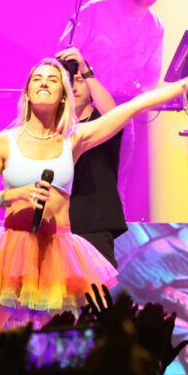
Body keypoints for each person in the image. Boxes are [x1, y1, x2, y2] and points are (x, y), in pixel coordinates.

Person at [0, 56, 188, 369]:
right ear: (26, 93)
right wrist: (14, 194)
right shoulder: (4, 141)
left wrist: (186, 84)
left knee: (56, 357)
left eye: (52, 79)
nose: (44, 83)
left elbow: (133, 107)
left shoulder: (74, 138)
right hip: (9, 253)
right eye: (37, 79)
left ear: (63, 95)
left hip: (56, 255)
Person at [60, 0, 168, 221]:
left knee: (115, 186)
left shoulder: (155, 27)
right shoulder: (97, 8)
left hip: (119, 112)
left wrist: (139, 89)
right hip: (79, 109)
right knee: (67, 181)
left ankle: (113, 239)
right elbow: (63, 52)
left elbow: (152, 78)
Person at [56, 46, 126, 268]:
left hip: (95, 223)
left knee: (96, 289)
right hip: (57, 225)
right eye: (68, 82)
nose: (74, 87)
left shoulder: (101, 123)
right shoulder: (53, 128)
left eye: (79, 80)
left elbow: (115, 115)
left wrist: (85, 70)